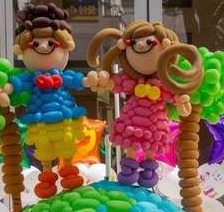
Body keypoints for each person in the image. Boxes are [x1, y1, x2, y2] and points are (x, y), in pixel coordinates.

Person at [84, 21, 203, 187]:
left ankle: (148, 172)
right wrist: (100, 81)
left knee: (150, 147)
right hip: (133, 121)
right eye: (133, 43)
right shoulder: (132, 82)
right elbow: (114, 83)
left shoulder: (162, 86)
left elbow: (175, 98)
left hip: (154, 124)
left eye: (149, 42)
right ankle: (128, 170)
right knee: (131, 145)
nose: (140, 45)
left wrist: (182, 103)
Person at [0, 3, 86, 198]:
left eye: (51, 43)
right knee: (44, 150)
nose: (44, 46)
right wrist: (7, 88)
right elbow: (19, 83)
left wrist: (90, 80)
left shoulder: (62, 77)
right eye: (36, 44)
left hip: (64, 121)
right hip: (41, 124)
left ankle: (69, 174)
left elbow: (76, 79)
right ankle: (47, 179)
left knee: (66, 147)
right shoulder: (32, 79)